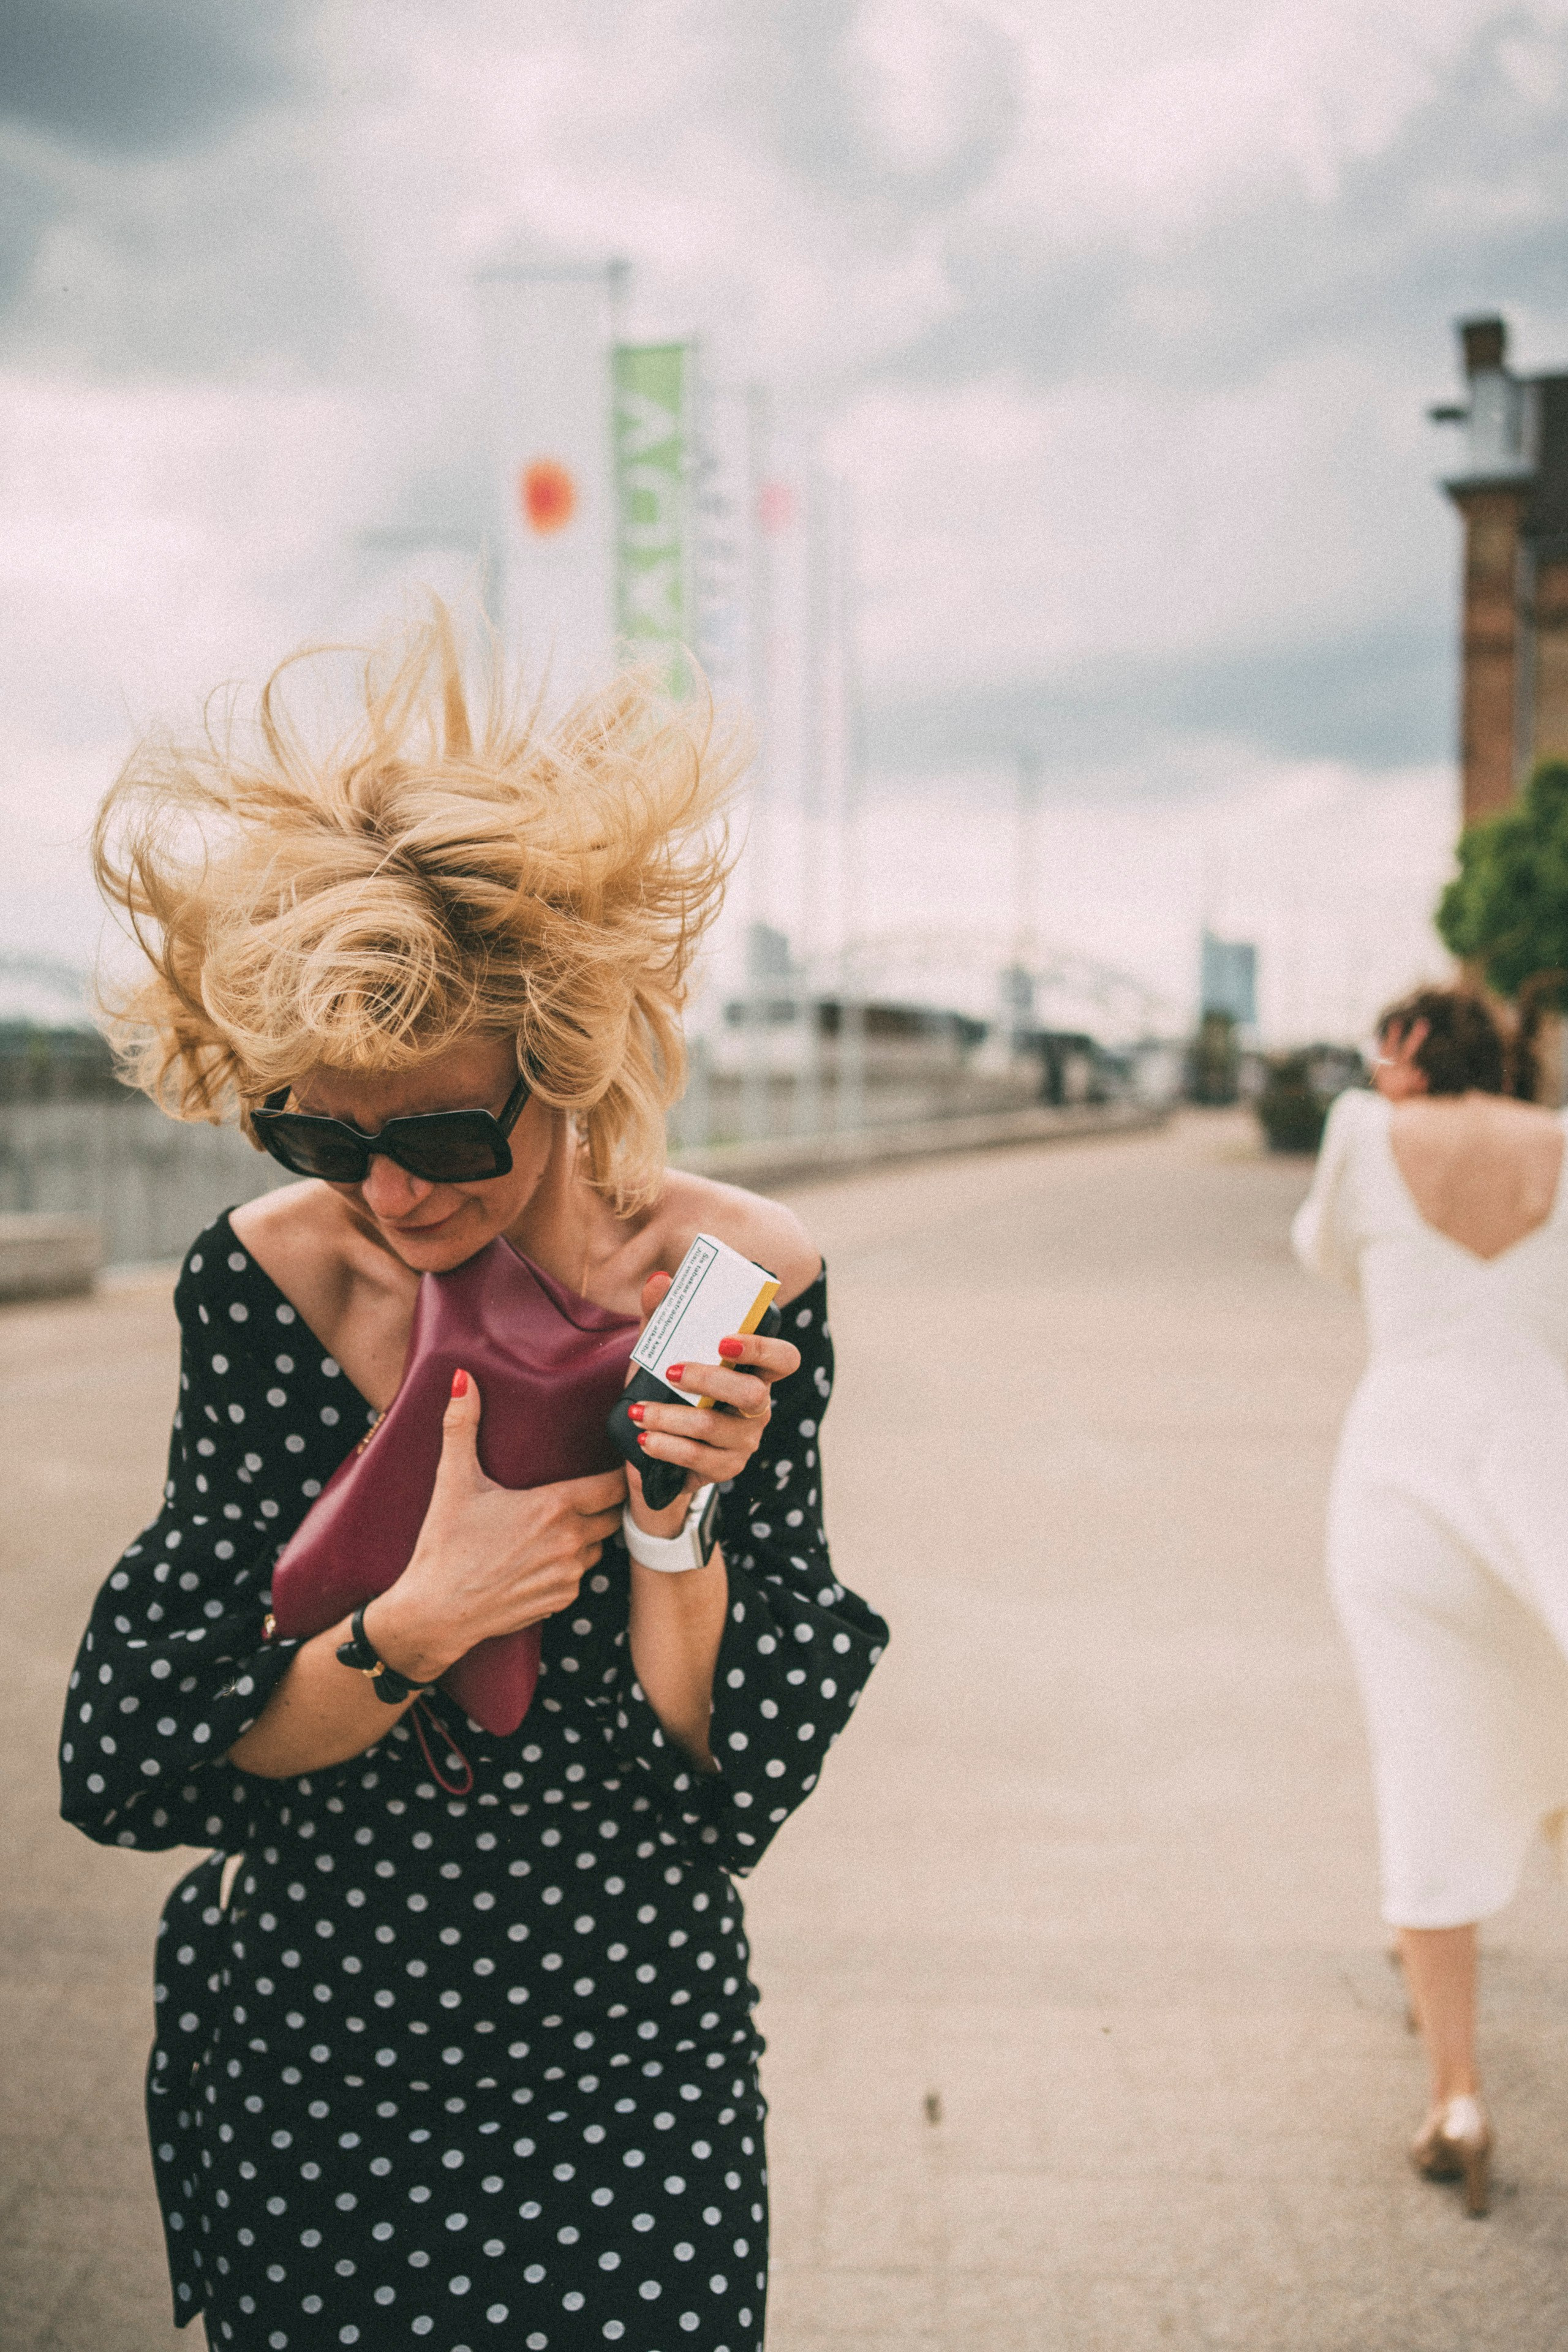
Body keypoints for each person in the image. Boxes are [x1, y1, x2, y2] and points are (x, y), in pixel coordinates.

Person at [59, 611, 888, 2350]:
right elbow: (145, 1754)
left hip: (620, 2051)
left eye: (442, 1136)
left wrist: (676, 1518)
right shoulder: (271, 1284)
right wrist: (421, 1623)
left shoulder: (744, 1287)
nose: (391, 1197)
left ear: (571, 1063)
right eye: (319, 1133)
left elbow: (724, 1782)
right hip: (320, 2049)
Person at [1292, 984, 1568, 2217]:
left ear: (1401, 1052)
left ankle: (1453, 2092)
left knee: (1426, 1762)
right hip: (1543, 1472)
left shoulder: (1358, 1128)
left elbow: (1322, 1252)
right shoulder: (1559, 1143)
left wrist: (1391, 1114)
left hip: (1401, 1474)